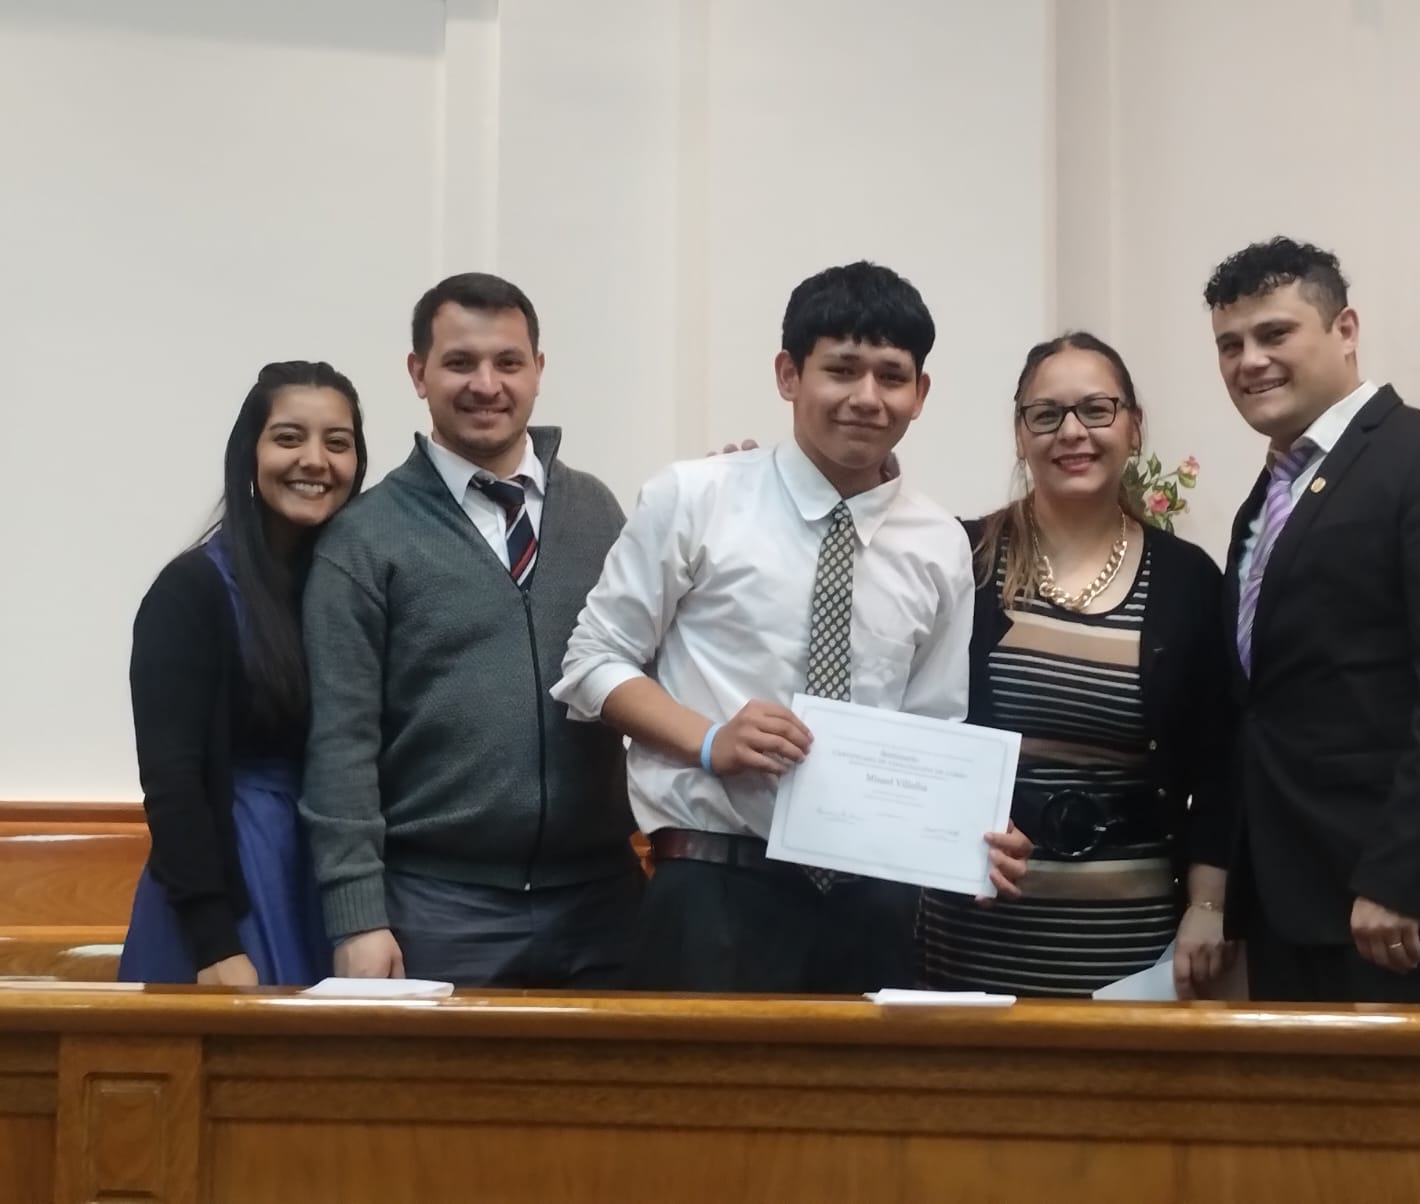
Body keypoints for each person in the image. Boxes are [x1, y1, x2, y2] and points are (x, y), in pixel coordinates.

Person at [552, 261, 1031, 993]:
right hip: (709, 888)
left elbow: (931, 730)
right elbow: (593, 662)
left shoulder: (940, 543)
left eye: (892, 376)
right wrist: (710, 740)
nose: (866, 397)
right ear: (788, 375)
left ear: (921, 392)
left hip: (870, 904)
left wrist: (967, 835)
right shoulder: (694, 498)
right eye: (841, 369)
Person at [1208, 237, 1420, 1004]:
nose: (1250, 361)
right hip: (1287, 910)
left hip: (1400, 916)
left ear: (1345, 329)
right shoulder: (1266, 502)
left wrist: (1401, 876)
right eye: (1229, 344)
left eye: (1274, 333)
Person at [299, 272, 640, 986]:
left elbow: (660, 665)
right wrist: (357, 918)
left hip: (604, 903)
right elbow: (340, 742)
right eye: (460, 362)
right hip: (438, 908)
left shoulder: (596, 511)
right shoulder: (364, 538)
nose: (487, 385)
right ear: (418, 373)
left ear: (537, 370)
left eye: (508, 362)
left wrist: (722, 512)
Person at [918, 333, 1235, 999]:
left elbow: (1221, 767)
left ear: (1133, 426)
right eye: (1046, 414)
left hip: (1132, 939)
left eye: (1096, 409)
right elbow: (902, 724)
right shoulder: (960, 558)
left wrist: (1207, 905)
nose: (1072, 432)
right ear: (1019, 434)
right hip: (974, 930)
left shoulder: (1188, 582)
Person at [119, 361, 368, 986]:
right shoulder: (191, 591)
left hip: (332, 876)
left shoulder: (353, 587)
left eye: (337, 442)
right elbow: (172, 782)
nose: (315, 460)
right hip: (236, 884)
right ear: (249, 453)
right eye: (289, 437)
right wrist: (214, 946)